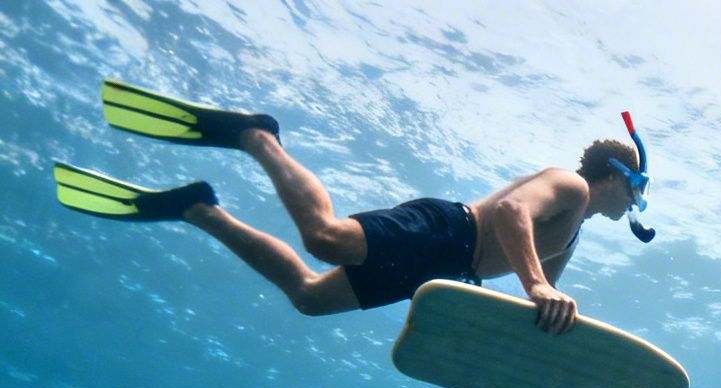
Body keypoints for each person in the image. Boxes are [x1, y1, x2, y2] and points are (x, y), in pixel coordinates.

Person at [54, 80, 657, 334]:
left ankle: (199, 209)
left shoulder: (573, 233)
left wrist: (551, 317)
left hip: (442, 270)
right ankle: (257, 135)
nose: (636, 205)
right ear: (621, 178)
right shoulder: (569, 187)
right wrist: (535, 286)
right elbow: (510, 216)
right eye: (640, 191)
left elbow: (542, 293)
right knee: (325, 236)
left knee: (311, 298)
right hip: (445, 232)